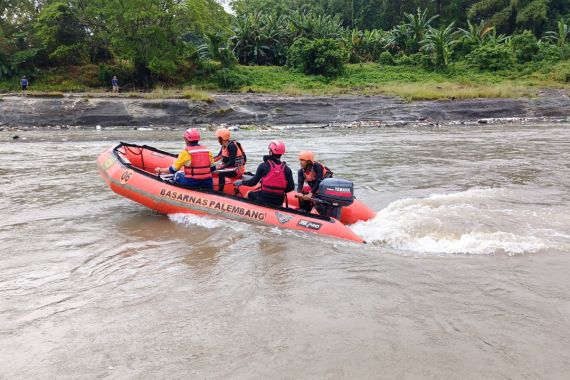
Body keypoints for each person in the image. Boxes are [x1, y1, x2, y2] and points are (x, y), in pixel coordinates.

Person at [233, 140, 294, 208]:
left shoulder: (263, 166)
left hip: (264, 197)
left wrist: (241, 182)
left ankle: (244, 209)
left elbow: (252, 182)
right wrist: (279, 191)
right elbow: (291, 187)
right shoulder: (287, 169)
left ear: (271, 151)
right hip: (278, 200)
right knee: (278, 199)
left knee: (249, 193)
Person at [213, 128, 247, 192]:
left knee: (221, 174)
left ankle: (220, 192)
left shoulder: (232, 146)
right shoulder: (224, 146)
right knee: (213, 169)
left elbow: (232, 162)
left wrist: (220, 168)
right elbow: (218, 157)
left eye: (218, 138)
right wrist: (207, 161)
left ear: (221, 138)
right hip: (230, 168)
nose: (217, 140)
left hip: (237, 170)